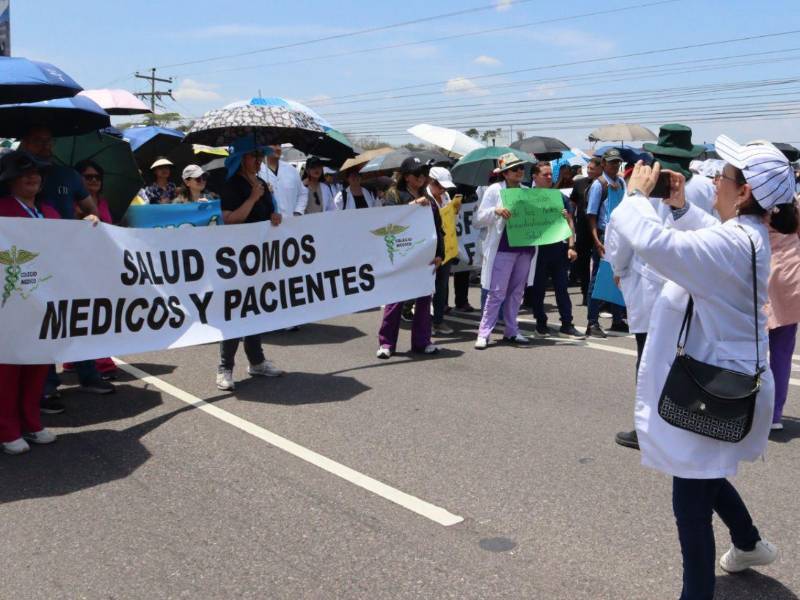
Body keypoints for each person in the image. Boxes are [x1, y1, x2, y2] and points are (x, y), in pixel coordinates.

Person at [614, 136, 796, 600]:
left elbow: (657, 245)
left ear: (746, 192)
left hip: (713, 386)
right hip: (723, 382)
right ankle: (750, 543)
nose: (715, 181)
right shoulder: (745, 234)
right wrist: (678, 206)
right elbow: (700, 239)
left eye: (725, 176)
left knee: (690, 505)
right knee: (703, 471)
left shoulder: (734, 243)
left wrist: (635, 196)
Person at [609, 126, 717, 451]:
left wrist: (618, 269)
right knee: (688, 356)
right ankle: (686, 421)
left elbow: (624, 233)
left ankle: (651, 429)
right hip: (691, 284)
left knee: (648, 360)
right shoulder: (701, 188)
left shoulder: (645, 188)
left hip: (650, 284)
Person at [0, 150, 99, 454]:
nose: (33, 177)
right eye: (24, 173)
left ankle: (31, 422)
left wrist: (90, 222)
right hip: (10, 305)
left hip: (44, 303)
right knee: (9, 367)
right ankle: (7, 428)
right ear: (10, 180)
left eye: (37, 173)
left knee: (38, 363)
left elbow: (69, 245)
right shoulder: (3, 209)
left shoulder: (49, 213)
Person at [19, 126, 113, 409]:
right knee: (41, 321)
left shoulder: (68, 175)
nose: (45, 146)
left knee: (73, 316)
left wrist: (90, 218)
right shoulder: (11, 175)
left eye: (49, 140)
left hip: (68, 258)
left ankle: (88, 374)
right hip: (27, 260)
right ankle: (46, 386)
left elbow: (90, 209)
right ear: (23, 143)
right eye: (38, 141)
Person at [216, 137, 284, 391]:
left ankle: (256, 361)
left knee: (256, 309)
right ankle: (225, 367)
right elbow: (230, 219)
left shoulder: (263, 184)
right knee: (235, 311)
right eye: (253, 155)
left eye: (260, 155)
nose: (258, 160)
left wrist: (274, 216)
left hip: (260, 257)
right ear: (240, 158)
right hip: (235, 258)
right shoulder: (230, 184)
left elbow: (267, 215)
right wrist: (253, 198)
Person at [376, 156, 443, 359]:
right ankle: (386, 343)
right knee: (395, 300)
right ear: (406, 177)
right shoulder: (393, 195)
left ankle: (422, 342)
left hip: (424, 256)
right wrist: (413, 205)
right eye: (417, 174)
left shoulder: (430, 200)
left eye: (424, 174)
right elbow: (387, 222)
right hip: (400, 256)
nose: (422, 178)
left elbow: (438, 229)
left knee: (423, 300)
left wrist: (440, 253)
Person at [473, 153, 538, 349]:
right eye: (515, 169)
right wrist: (496, 211)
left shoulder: (527, 191)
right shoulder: (494, 190)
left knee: (517, 292)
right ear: (505, 173)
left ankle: (512, 330)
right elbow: (478, 219)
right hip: (503, 248)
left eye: (521, 168)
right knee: (497, 292)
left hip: (525, 248)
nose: (520, 172)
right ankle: (484, 333)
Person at [526, 162, 583, 338]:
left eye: (551, 174)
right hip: (537, 251)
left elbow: (570, 222)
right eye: (545, 174)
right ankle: (540, 323)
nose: (550, 177)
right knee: (538, 288)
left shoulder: (559, 196)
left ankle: (567, 323)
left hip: (558, 249)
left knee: (562, 287)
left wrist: (571, 246)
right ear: (534, 177)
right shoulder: (526, 196)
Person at [765, 197, 800, 430]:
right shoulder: (795, 202)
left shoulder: (758, 194)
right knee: (782, 350)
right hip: (791, 271)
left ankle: (747, 406)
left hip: (763, 267)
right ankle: (774, 414)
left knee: (749, 347)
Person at [585, 148, 628, 337]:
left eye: (617, 162)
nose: (615, 165)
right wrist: (596, 240)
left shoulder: (621, 182)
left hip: (620, 235)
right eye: (611, 162)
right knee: (598, 278)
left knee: (620, 276)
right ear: (603, 164)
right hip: (604, 236)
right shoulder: (599, 184)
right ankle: (592, 322)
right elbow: (591, 215)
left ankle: (617, 319)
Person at [427, 166, 458, 336]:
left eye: (445, 186)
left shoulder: (445, 195)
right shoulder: (424, 198)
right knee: (424, 287)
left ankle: (438, 321)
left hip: (445, 247)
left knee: (442, 285)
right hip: (427, 248)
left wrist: (455, 211)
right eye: (440, 186)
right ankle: (422, 321)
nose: (443, 189)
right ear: (431, 182)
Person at [570, 157, 603, 305]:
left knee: (600, 263)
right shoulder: (579, 183)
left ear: (600, 169)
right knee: (583, 263)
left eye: (592, 168)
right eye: (588, 168)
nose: (589, 170)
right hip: (583, 227)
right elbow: (573, 203)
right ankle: (585, 293)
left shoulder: (605, 184)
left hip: (598, 229)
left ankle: (599, 296)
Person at [260, 144, 306, 216]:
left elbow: (302, 193)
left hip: (292, 221)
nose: (278, 148)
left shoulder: (291, 170)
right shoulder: (257, 172)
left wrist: (298, 211)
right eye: (274, 145)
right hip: (268, 224)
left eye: (279, 145)